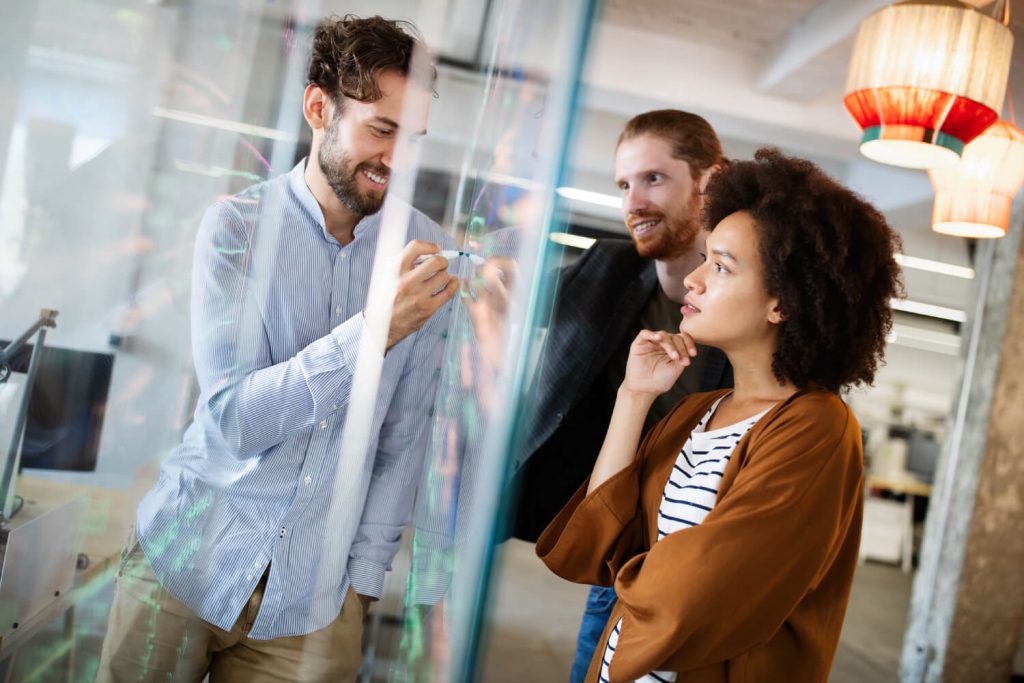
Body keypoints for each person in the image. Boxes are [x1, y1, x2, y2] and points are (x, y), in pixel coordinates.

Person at [97, 15, 458, 682]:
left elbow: (404, 438)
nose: (398, 159)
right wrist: (375, 330)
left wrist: (364, 583)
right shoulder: (236, 227)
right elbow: (237, 419)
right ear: (319, 107)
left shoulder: (422, 252)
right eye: (382, 129)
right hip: (185, 562)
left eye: (415, 138)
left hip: (313, 604)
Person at [537, 148, 903, 682]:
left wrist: (634, 578)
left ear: (783, 302)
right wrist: (633, 396)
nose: (695, 279)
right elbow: (602, 543)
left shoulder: (817, 428)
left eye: (722, 266)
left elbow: (698, 597)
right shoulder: (695, 411)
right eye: (706, 258)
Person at [507, 110, 733, 682]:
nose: (634, 201)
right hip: (624, 549)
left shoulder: (750, 298)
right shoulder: (604, 269)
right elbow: (512, 291)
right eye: (624, 184)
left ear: (711, 179)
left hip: (708, 555)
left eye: (654, 178)